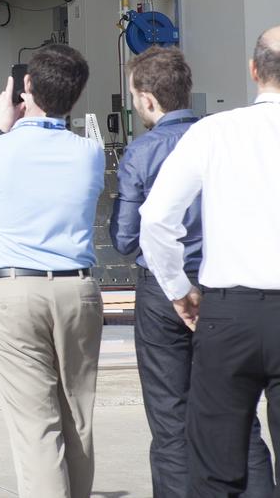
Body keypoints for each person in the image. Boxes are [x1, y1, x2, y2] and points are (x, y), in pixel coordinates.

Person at [110, 47, 273, 497]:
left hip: (165, 292)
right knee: (238, 419)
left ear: (146, 100)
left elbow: (129, 236)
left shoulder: (142, 151)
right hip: (224, 290)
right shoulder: (225, 136)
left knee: (170, 418)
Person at [0, 44, 105, 498]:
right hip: (77, 291)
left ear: (26, 86)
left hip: (13, 291)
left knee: (36, 428)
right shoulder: (89, 153)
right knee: (77, 420)